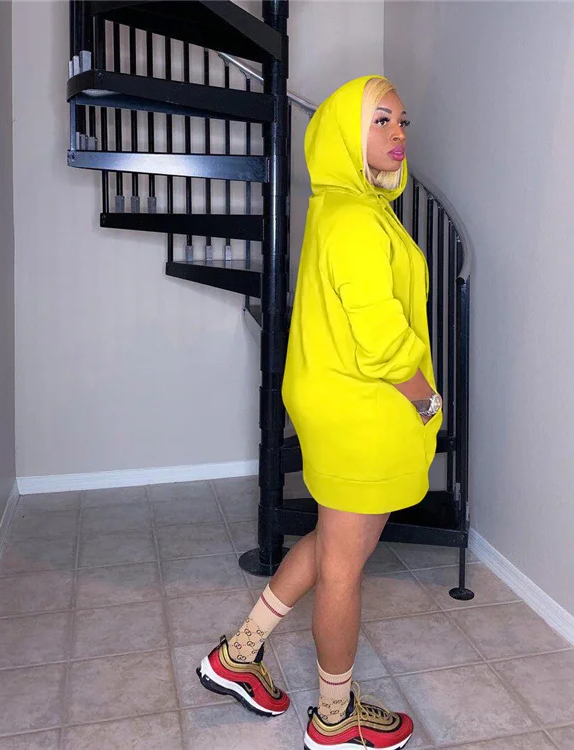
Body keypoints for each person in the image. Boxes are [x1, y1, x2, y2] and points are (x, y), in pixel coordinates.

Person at [197, 75, 442, 750]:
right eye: (380, 119)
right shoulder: (356, 219)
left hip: (341, 407)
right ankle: (336, 718)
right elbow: (382, 340)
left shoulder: (341, 207)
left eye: (402, 121)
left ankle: (240, 654)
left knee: (333, 545)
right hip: (364, 412)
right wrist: (427, 397)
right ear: (343, 133)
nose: (398, 133)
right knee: (343, 571)